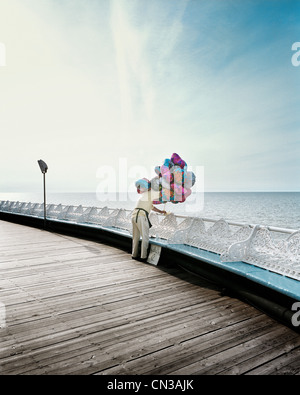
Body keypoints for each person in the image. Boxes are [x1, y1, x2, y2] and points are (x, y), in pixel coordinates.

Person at [131, 188, 166, 262]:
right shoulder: (150, 194)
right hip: (141, 217)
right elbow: (160, 195)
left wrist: (161, 211)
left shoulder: (144, 197)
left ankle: (134, 255)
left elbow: (152, 207)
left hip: (134, 216)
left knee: (136, 237)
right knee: (145, 237)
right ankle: (143, 257)